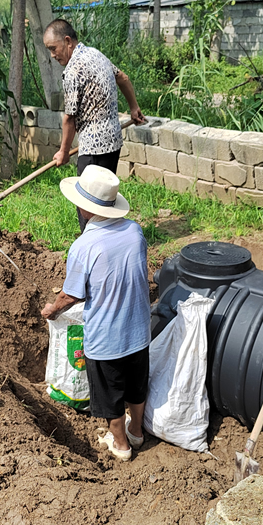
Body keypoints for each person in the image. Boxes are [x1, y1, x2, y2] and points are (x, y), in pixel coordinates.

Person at [41, 165, 151, 461]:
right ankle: (137, 433)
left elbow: (71, 294)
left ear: (83, 207)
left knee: (109, 394)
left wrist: (53, 310)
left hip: (106, 339)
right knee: (137, 385)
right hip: (140, 330)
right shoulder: (134, 231)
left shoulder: (84, 246)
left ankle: (121, 445)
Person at [43, 19, 147, 231]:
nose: (53, 55)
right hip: (113, 142)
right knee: (105, 199)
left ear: (67, 41)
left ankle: (90, 244)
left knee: (88, 205)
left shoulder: (73, 70)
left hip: (92, 149)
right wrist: (134, 107)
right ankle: (108, 239)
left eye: (54, 49)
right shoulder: (96, 54)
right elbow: (123, 78)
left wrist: (63, 152)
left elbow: (69, 117)